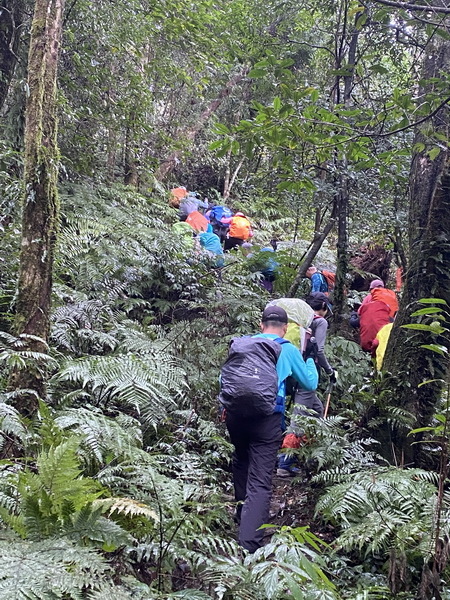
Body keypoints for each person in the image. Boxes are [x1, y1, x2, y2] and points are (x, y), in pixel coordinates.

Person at [222, 305, 318, 553]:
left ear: (261, 325)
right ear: (285, 329)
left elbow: (225, 380)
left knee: (241, 461)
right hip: (267, 418)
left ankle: (241, 515)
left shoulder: (242, 345)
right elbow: (309, 383)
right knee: (261, 480)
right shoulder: (286, 349)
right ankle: (250, 544)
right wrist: (310, 359)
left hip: (235, 415)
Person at [277, 292, 336, 477]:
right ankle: (285, 463)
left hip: (288, 368)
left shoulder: (297, 321)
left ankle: (310, 454)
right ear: (324, 307)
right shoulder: (320, 321)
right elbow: (318, 350)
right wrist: (329, 371)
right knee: (300, 415)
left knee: (316, 410)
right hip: (306, 372)